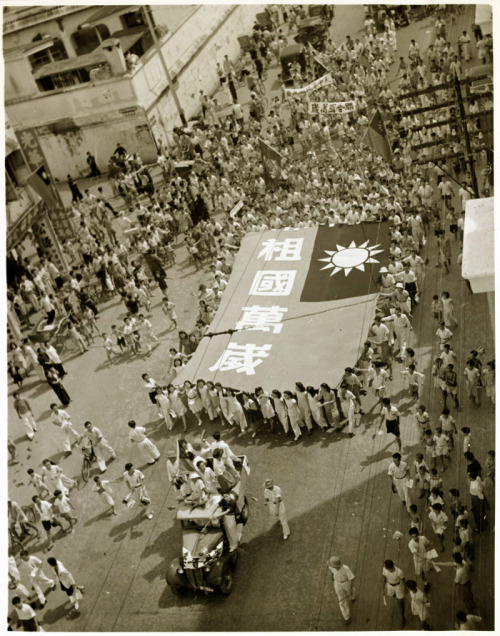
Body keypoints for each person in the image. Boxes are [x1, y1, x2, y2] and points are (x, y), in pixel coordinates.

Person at [327, 556, 355, 625]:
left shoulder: (346, 568)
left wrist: (351, 588)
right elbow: (331, 571)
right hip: (337, 583)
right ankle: (347, 617)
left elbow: (351, 578)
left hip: (346, 583)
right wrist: (332, 577)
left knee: (350, 592)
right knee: (341, 601)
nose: (331, 566)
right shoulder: (331, 567)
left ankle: (353, 596)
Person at [381, 560, 406, 626]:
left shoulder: (399, 572)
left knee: (401, 604)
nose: (384, 567)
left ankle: (403, 618)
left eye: (386, 567)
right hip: (389, 586)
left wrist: (406, 588)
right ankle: (396, 596)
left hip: (398, 587)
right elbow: (384, 579)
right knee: (392, 595)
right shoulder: (384, 569)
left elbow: (403, 580)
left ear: (388, 568)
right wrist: (383, 589)